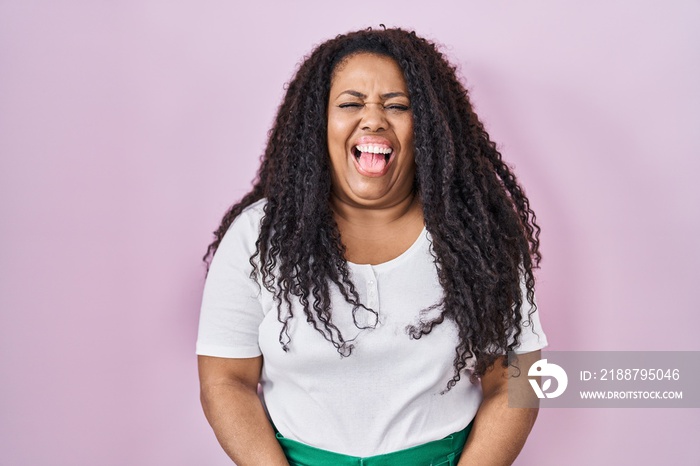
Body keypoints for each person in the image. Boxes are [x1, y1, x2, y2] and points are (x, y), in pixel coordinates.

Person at [196, 27, 547, 466]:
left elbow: (518, 380)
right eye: (350, 103)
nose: (373, 119)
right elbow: (225, 379)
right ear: (317, 124)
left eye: (398, 106)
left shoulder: (478, 237)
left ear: (431, 127)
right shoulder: (257, 237)